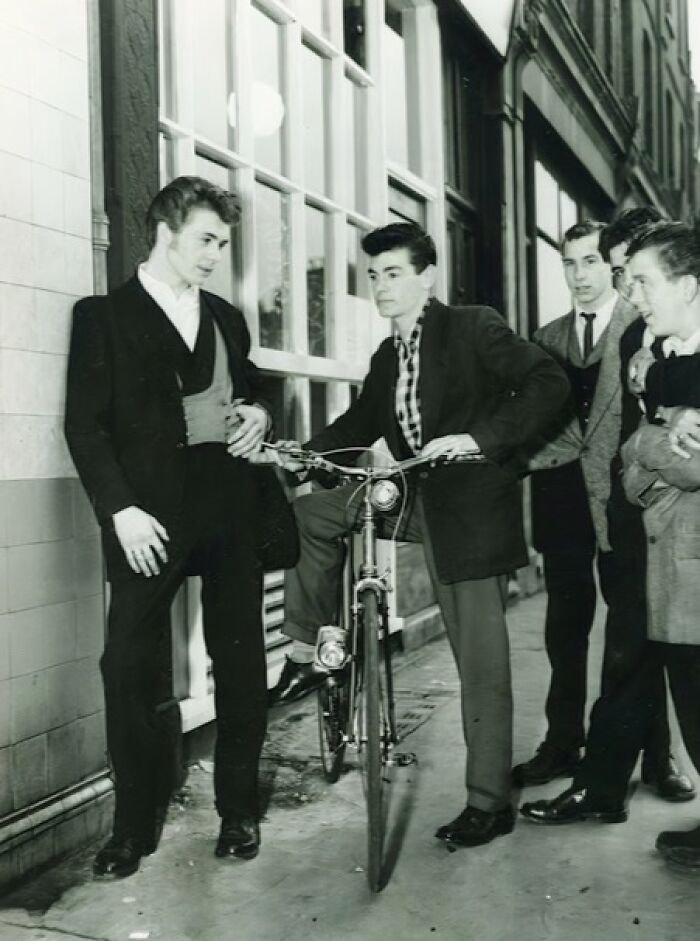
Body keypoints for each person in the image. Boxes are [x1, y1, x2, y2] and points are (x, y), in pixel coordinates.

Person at [268, 222, 570, 847]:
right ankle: (309, 651)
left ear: (427, 275)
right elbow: (362, 419)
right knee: (311, 514)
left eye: (394, 273)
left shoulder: (472, 326)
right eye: (373, 274)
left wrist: (480, 440)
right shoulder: (388, 354)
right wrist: (309, 453)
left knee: (479, 663)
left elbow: (550, 383)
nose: (381, 285)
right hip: (409, 494)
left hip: (468, 508)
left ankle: (490, 803)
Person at [65, 176, 270, 879]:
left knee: (241, 658)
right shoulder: (103, 317)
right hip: (147, 516)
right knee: (127, 662)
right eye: (207, 239)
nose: (216, 255)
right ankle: (132, 824)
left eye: (223, 242)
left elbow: (252, 388)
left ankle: (238, 809)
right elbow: (84, 426)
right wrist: (119, 510)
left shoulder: (227, 317)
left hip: (229, 506)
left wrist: (259, 413)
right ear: (164, 230)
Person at [520, 214, 696, 828]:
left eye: (618, 268)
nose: (618, 285)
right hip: (598, 511)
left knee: (650, 654)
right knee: (606, 648)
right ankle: (586, 769)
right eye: (576, 263)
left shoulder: (652, 333)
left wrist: (655, 442)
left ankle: (643, 768)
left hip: (651, 516)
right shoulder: (567, 338)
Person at [513, 220, 640, 788]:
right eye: (570, 263)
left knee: (635, 631)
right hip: (561, 500)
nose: (581, 275)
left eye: (591, 261)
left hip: (624, 499)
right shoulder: (546, 338)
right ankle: (561, 743)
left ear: (611, 267)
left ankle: (652, 752)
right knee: (565, 628)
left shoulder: (641, 327)